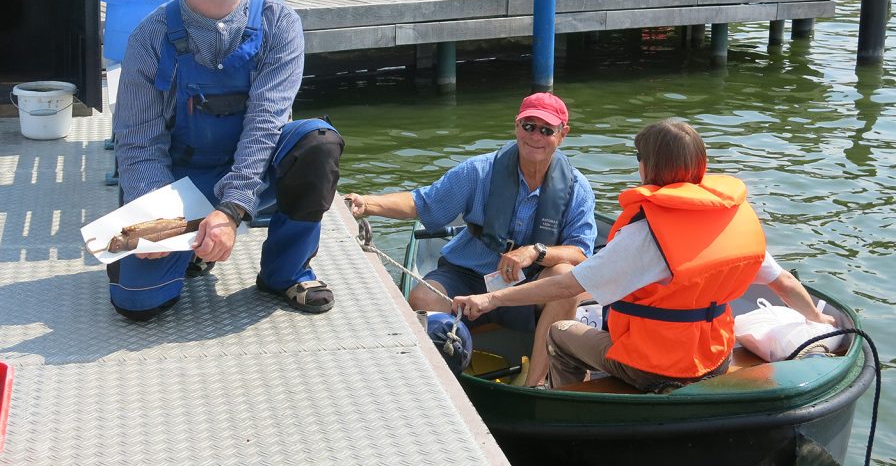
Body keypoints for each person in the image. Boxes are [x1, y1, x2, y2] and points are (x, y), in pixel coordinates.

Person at [454, 119, 835, 392]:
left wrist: (490, 298)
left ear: (648, 165)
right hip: (715, 356)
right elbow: (783, 282)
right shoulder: (728, 217)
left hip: (652, 368)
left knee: (559, 332)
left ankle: (572, 404)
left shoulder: (644, 234)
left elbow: (565, 286)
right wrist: (816, 319)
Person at [109, 0, 344, 321]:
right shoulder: (149, 38)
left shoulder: (280, 24)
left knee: (317, 143)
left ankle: (286, 271)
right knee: (138, 305)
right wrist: (155, 222)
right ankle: (193, 250)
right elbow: (139, 144)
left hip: (253, 172)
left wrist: (230, 211)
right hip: (179, 179)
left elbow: (266, 126)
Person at [346, 93, 597, 387]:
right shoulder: (478, 171)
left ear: (562, 135)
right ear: (517, 126)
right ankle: (442, 381)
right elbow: (422, 203)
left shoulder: (577, 187)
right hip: (466, 276)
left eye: (546, 130)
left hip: (528, 287)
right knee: (423, 298)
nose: (536, 137)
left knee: (567, 278)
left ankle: (535, 386)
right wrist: (368, 204)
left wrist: (535, 252)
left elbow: (582, 253)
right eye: (529, 126)